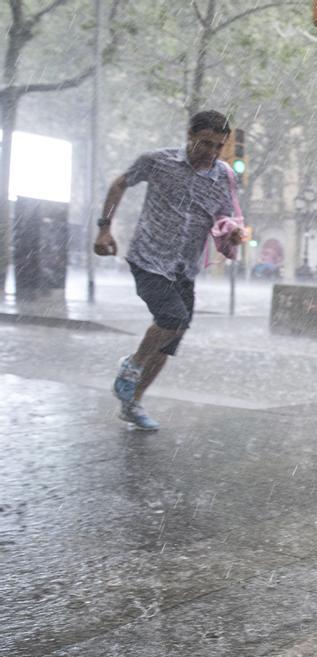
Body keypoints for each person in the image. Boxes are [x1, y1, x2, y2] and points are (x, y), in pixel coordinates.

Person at [93, 110, 240, 431]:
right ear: (189, 136)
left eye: (219, 146)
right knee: (171, 318)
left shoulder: (224, 176)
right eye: (205, 143)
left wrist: (231, 233)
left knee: (171, 338)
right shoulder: (157, 161)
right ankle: (132, 365)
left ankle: (132, 402)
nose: (211, 153)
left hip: (184, 268)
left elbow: (225, 218)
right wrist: (104, 228)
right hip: (149, 259)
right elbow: (120, 184)